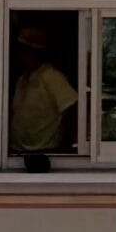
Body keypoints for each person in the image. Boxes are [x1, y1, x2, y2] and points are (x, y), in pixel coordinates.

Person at [8, 24, 77, 172]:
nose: (17, 56)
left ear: (32, 52)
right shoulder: (22, 79)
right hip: (18, 153)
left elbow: (72, 109)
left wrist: (65, 147)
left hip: (44, 153)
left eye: (21, 50)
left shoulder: (52, 77)